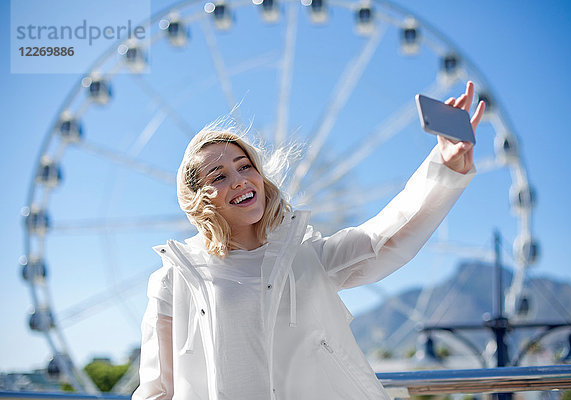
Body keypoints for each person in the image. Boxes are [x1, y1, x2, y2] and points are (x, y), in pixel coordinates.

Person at [133, 82, 485, 400]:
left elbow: (383, 239)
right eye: (220, 176)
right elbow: (158, 390)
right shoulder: (174, 279)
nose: (240, 180)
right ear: (198, 198)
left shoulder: (305, 255)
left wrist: (444, 167)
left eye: (245, 167)